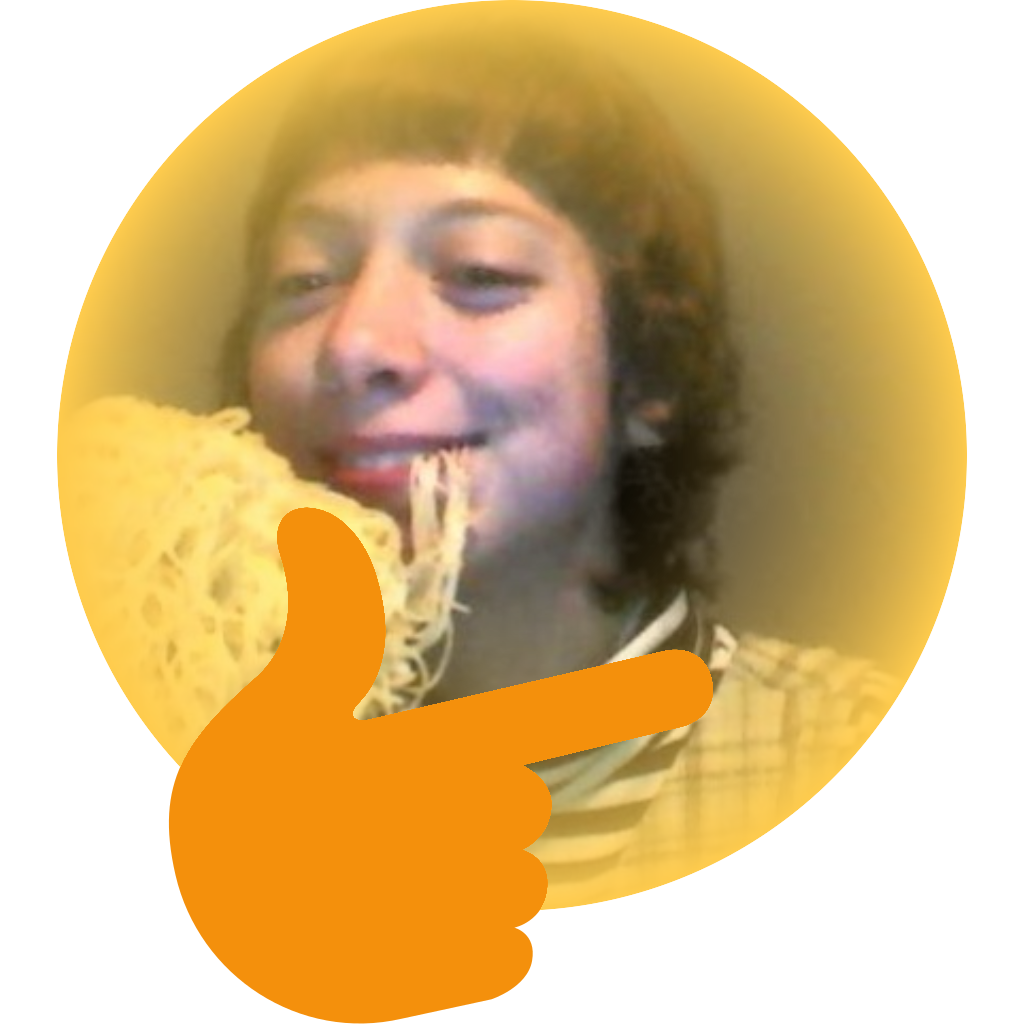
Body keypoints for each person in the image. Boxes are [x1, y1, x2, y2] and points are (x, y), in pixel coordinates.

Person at [220, 25, 903, 907]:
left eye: (480, 271)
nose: (354, 344)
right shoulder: (204, 750)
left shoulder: (834, 739)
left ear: (648, 375)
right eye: (307, 279)